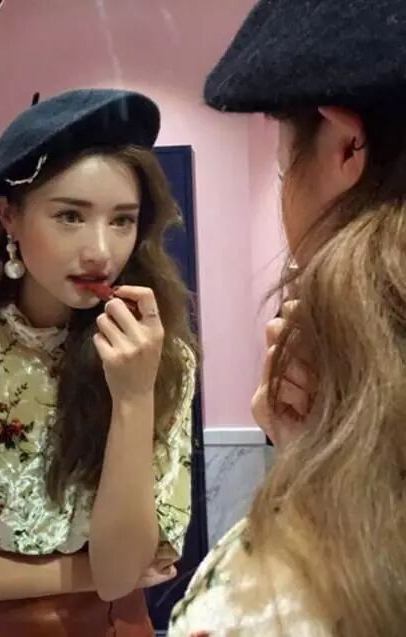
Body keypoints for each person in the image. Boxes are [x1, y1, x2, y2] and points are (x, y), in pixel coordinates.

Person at [168, 1, 406, 636]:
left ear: (346, 145)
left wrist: (306, 480)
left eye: (282, 171)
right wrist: (323, 449)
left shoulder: (269, 592)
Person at [0, 88, 198, 637]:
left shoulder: (161, 358)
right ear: (8, 216)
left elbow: (122, 575)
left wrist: (133, 396)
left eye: (122, 220)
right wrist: (81, 573)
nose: (100, 251)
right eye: (70, 215)